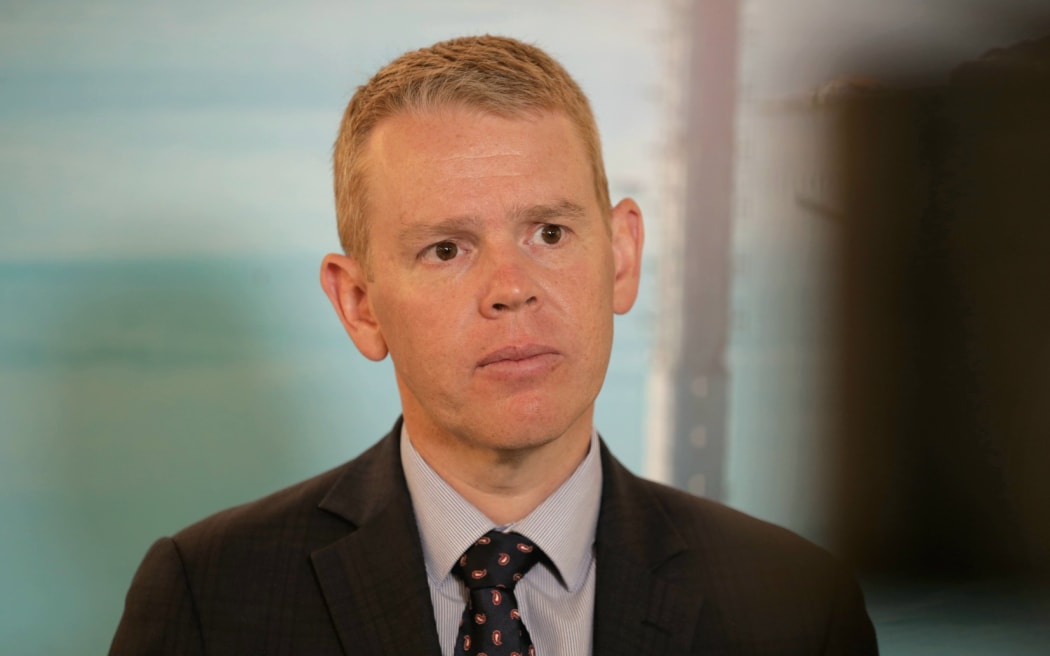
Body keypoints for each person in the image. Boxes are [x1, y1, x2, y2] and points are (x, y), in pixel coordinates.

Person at [110, 35, 878, 655]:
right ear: (359, 304)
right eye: (447, 249)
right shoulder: (211, 597)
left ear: (620, 257)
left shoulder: (795, 609)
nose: (512, 287)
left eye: (549, 232)